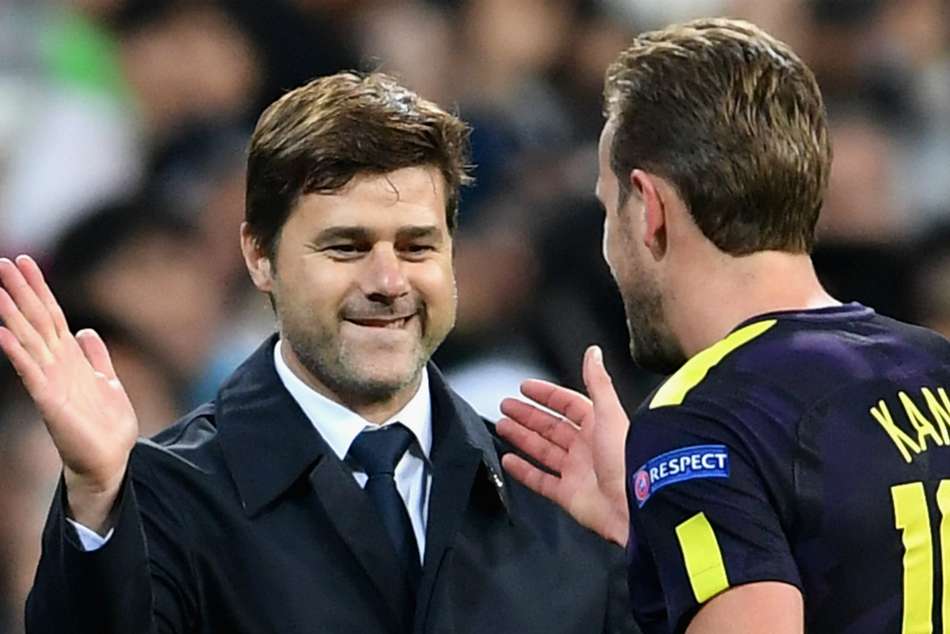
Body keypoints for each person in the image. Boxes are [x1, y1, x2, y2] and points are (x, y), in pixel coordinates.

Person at [0, 72, 635, 633]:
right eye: (346, 247)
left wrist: (645, 552)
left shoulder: (555, 496)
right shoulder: (165, 498)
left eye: (417, 247)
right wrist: (94, 495)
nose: (389, 283)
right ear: (259, 256)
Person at [496, 17, 950, 634]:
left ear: (649, 208)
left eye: (609, 210)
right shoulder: (934, 364)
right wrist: (654, 532)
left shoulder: (701, 419)